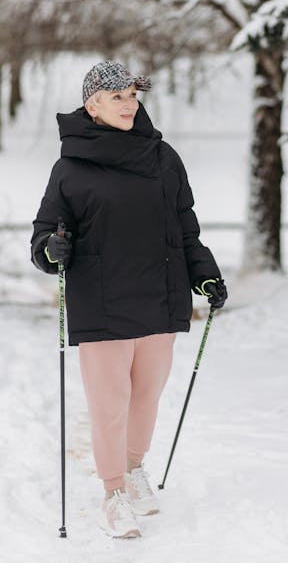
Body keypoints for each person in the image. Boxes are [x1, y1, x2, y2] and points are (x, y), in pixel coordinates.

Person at [30, 60, 227, 539]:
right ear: (92, 104)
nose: (128, 104)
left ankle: (134, 468)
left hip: (160, 294)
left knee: (146, 397)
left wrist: (204, 274)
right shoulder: (71, 166)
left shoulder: (164, 158)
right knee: (110, 404)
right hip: (102, 298)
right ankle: (112, 490)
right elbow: (44, 238)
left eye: (133, 96)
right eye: (116, 96)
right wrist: (50, 251)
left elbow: (185, 228)